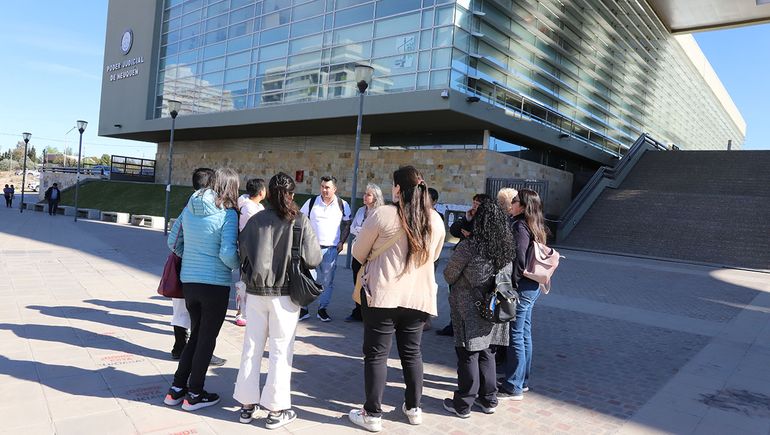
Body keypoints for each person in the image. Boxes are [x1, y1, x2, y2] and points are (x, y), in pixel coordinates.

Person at [349, 166, 446, 432]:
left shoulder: (383, 214)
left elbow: (358, 252)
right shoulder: (436, 220)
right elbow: (435, 256)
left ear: (398, 189)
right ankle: (414, 408)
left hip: (383, 297)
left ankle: (372, 414)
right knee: (412, 354)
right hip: (418, 298)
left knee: (376, 355)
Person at [233, 172, 322, 430]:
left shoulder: (256, 220)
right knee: (281, 351)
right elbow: (314, 258)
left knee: (252, 347)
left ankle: (246, 405)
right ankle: (275, 409)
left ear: (269, 194)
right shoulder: (300, 221)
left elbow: (243, 253)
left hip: (256, 292)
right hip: (285, 294)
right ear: (292, 195)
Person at [163, 168, 240, 411]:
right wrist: (237, 266)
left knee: (195, 336)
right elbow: (227, 253)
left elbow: (172, 242)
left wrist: (193, 259)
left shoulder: (189, 207)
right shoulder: (227, 214)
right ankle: (194, 393)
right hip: (214, 284)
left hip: (190, 282)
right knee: (206, 340)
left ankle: (177, 388)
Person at [442, 201, 514, 417]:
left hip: (469, 306)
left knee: (468, 353)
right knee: (488, 352)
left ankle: (463, 404)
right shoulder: (506, 246)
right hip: (496, 306)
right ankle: (489, 399)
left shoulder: (470, 246)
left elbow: (449, 275)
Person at [169, 168, 226, 367]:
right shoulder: (222, 209)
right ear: (213, 185)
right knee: (204, 324)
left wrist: (190, 255)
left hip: (188, 274)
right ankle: (198, 362)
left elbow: (173, 242)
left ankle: (180, 351)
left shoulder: (188, 206)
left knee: (184, 313)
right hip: (213, 277)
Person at [499, 188, 547, 400]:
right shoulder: (536, 225)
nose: (512, 203)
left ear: (524, 205)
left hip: (522, 286)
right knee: (524, 333)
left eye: (516, 200)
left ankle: (513, 385)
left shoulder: (520, 226)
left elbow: (518, 259)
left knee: (516, 335)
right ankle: (522, 380)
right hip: (533, 286)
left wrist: (512, 286)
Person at [298, 175, 352, 322]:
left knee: (327, 281)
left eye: (327, 187)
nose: (324, 190)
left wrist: (342, 241)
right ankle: (304, 309)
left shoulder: (342, 204)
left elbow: (347, 224)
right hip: (311, 248)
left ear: (334, 189)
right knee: (308, 278)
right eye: (322, 186)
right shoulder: (311, 202)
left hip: (331, 250)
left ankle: (322, 309)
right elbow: (301, 220)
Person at [437, 193, 491, 338]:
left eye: (478, 204)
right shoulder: (469, 216)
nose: (474, 206)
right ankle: (453, 325)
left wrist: (471, 235)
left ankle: (467, 328)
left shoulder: (488, 220)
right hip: (460, 261)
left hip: (475, 265)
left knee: (470, 299)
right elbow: (454, 231)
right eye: (473, 202)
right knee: (454, 294)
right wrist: (467, 219)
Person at [345, 183, 385, 322]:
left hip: (372, 254)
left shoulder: (380, 213)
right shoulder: (361, 211)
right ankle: (358, 311)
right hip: (359, 252)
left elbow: (377, 233)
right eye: (365, 193)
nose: (364, 196)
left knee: (371, 283)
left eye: (368, 194)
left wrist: (361, 231)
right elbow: (352, 228)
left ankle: (370, 313)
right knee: (357, 281)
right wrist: (363, 232)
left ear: (376, 197)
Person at [234, 178, 267, 327]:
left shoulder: (252, 205)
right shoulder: (250, 209)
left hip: (251, 248)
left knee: (248, 279)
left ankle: (247, 310)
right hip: (250, 249)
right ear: (261, 192)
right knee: (245, 280)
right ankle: (241, 312)